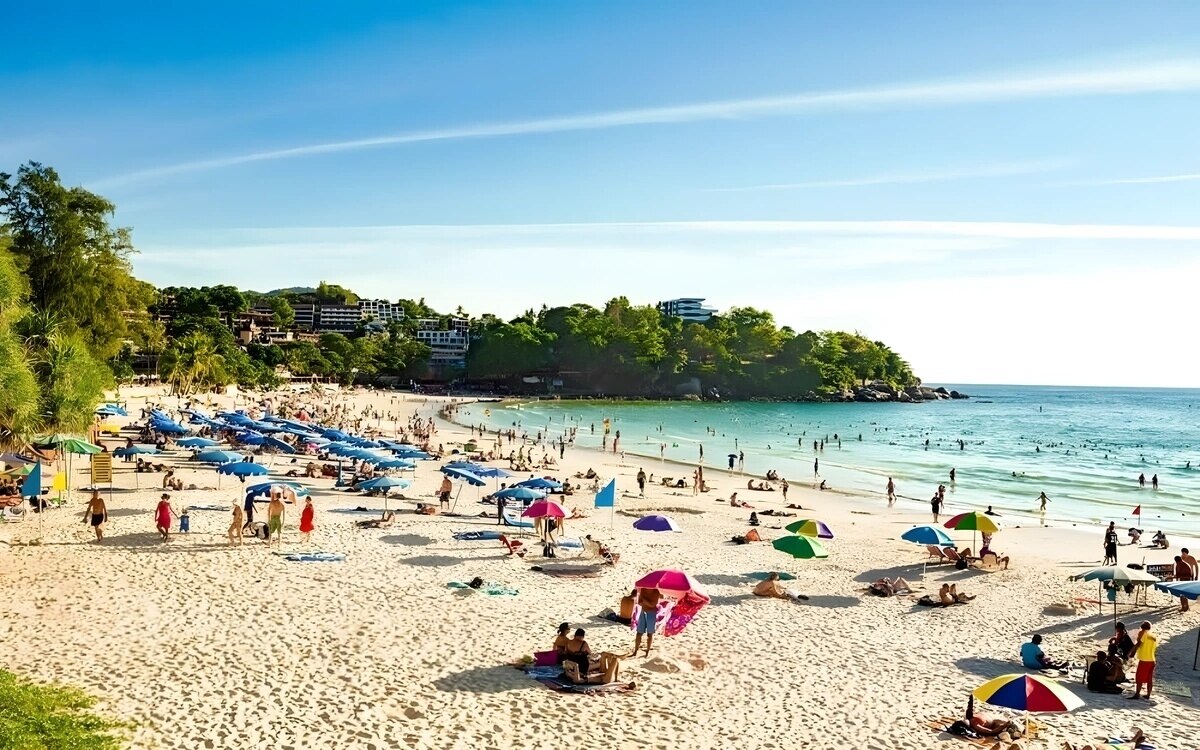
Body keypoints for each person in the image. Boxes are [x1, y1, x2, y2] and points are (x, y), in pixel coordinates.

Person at [631, 587, 662, 657]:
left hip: (651, 613)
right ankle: (635, 651)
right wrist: (646, 602)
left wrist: (645, 602)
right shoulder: (643, 590)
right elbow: (640, 602)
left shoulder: (656, 592)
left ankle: (647, 651)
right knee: (639, 633)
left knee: (649, 634)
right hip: (643, 611)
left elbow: (653, 605)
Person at [1130, 621, 1157, 700]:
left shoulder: (1144, 634)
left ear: (1143, 628)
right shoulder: (1154, 636)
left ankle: (1137, 694)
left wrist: (1130, 652)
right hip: (1152, 660)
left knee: (1139, 677)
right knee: (1149, 679)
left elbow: (1138, 644)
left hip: (1144, 660)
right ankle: (1148, 695)